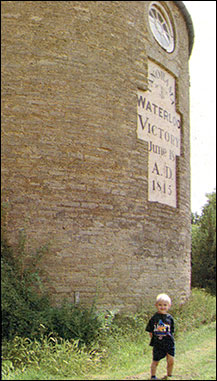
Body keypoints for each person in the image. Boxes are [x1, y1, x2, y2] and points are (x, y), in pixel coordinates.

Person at [146, 293, 175, 380]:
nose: (162, 307)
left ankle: (169, 375)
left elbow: (172, 330)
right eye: (160, 305)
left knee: (170, 360)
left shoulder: (170, 318)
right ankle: (153, 376)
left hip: (169, 343)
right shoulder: (154, 318)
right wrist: (155, 339)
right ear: (156, 305)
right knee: (155, 361)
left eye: (165, 305)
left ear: (169, 306)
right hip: (158, 343)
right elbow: (150, 331)